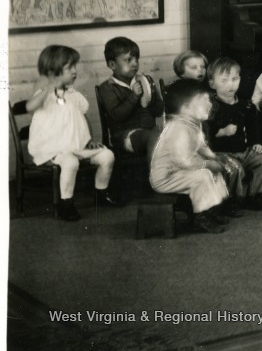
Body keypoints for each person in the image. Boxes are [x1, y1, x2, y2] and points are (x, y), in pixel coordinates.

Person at [26, 45, 120, 221]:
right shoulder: (44, 95)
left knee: (107, 156)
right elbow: (30, 107)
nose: (75, 71)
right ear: (54, 71)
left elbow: (82, 121)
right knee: (70, 163)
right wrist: (49, 87)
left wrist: (90, 140)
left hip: (76, 146)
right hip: (53, 149)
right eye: (70, 68)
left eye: (75, 67)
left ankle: (101, 193)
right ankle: (66, 203)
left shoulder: (74, 95)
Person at [150, 79, 231, 234]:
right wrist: (208, 165)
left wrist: (214, 158)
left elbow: (201, 146)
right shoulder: (179, 128)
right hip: (165, 177)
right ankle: (200, 219)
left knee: (214, 171)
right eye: (204, 102)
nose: (210, 105)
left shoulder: (193, 124)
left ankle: (212, 210)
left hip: (180, 171)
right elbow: (184, 160)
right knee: (202, 176)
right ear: (186, 108)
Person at [207, 56, 262, 211]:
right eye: (224, 80)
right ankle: (230, 200)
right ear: (212, 83)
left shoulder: (246, 105)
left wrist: (256, 143)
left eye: (234, 79)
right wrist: (220, 133)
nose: (231, 84)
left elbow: (254, 128)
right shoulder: (209, 107)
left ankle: (258, 195)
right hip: (221, 153)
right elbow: (204, 133)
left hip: (244, 151)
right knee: (234, 168)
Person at [96, 36, 164, 160]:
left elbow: (159, 111)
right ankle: (155, 175)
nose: (135, 64)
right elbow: (117, 115)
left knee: (168, 136)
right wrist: (134, 96)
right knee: (154, 138)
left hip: (150, 130)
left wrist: (151, 94)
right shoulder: (107, 88)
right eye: (128, 60)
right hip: (125, 136)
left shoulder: (144, 81)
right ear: (112, 64)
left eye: (136, 59)